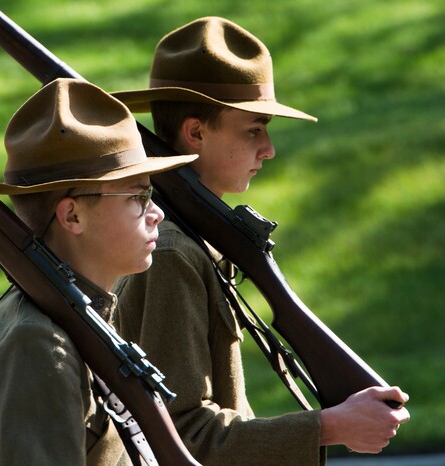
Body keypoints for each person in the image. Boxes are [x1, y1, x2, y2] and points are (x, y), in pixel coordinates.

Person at [110, 17, 410, 465]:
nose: (268, 149)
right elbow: (183, 434)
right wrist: (328, 426)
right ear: (195, 133)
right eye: (254, 130)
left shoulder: (196, 240)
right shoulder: (171, 252)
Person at [0, 78, 196, 465]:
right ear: (72, 215)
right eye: (138, 196)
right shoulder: (35, 346)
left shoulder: (83, 316)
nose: (157, 213)